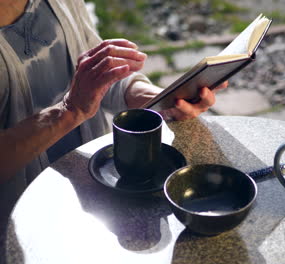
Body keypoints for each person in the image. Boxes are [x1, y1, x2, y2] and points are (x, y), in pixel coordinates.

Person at [0, 0, 227, 242]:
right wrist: (69, 111)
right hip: (23, 221)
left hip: (95, 194)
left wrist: (154, 98)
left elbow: (92, 78)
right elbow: (79, 100)